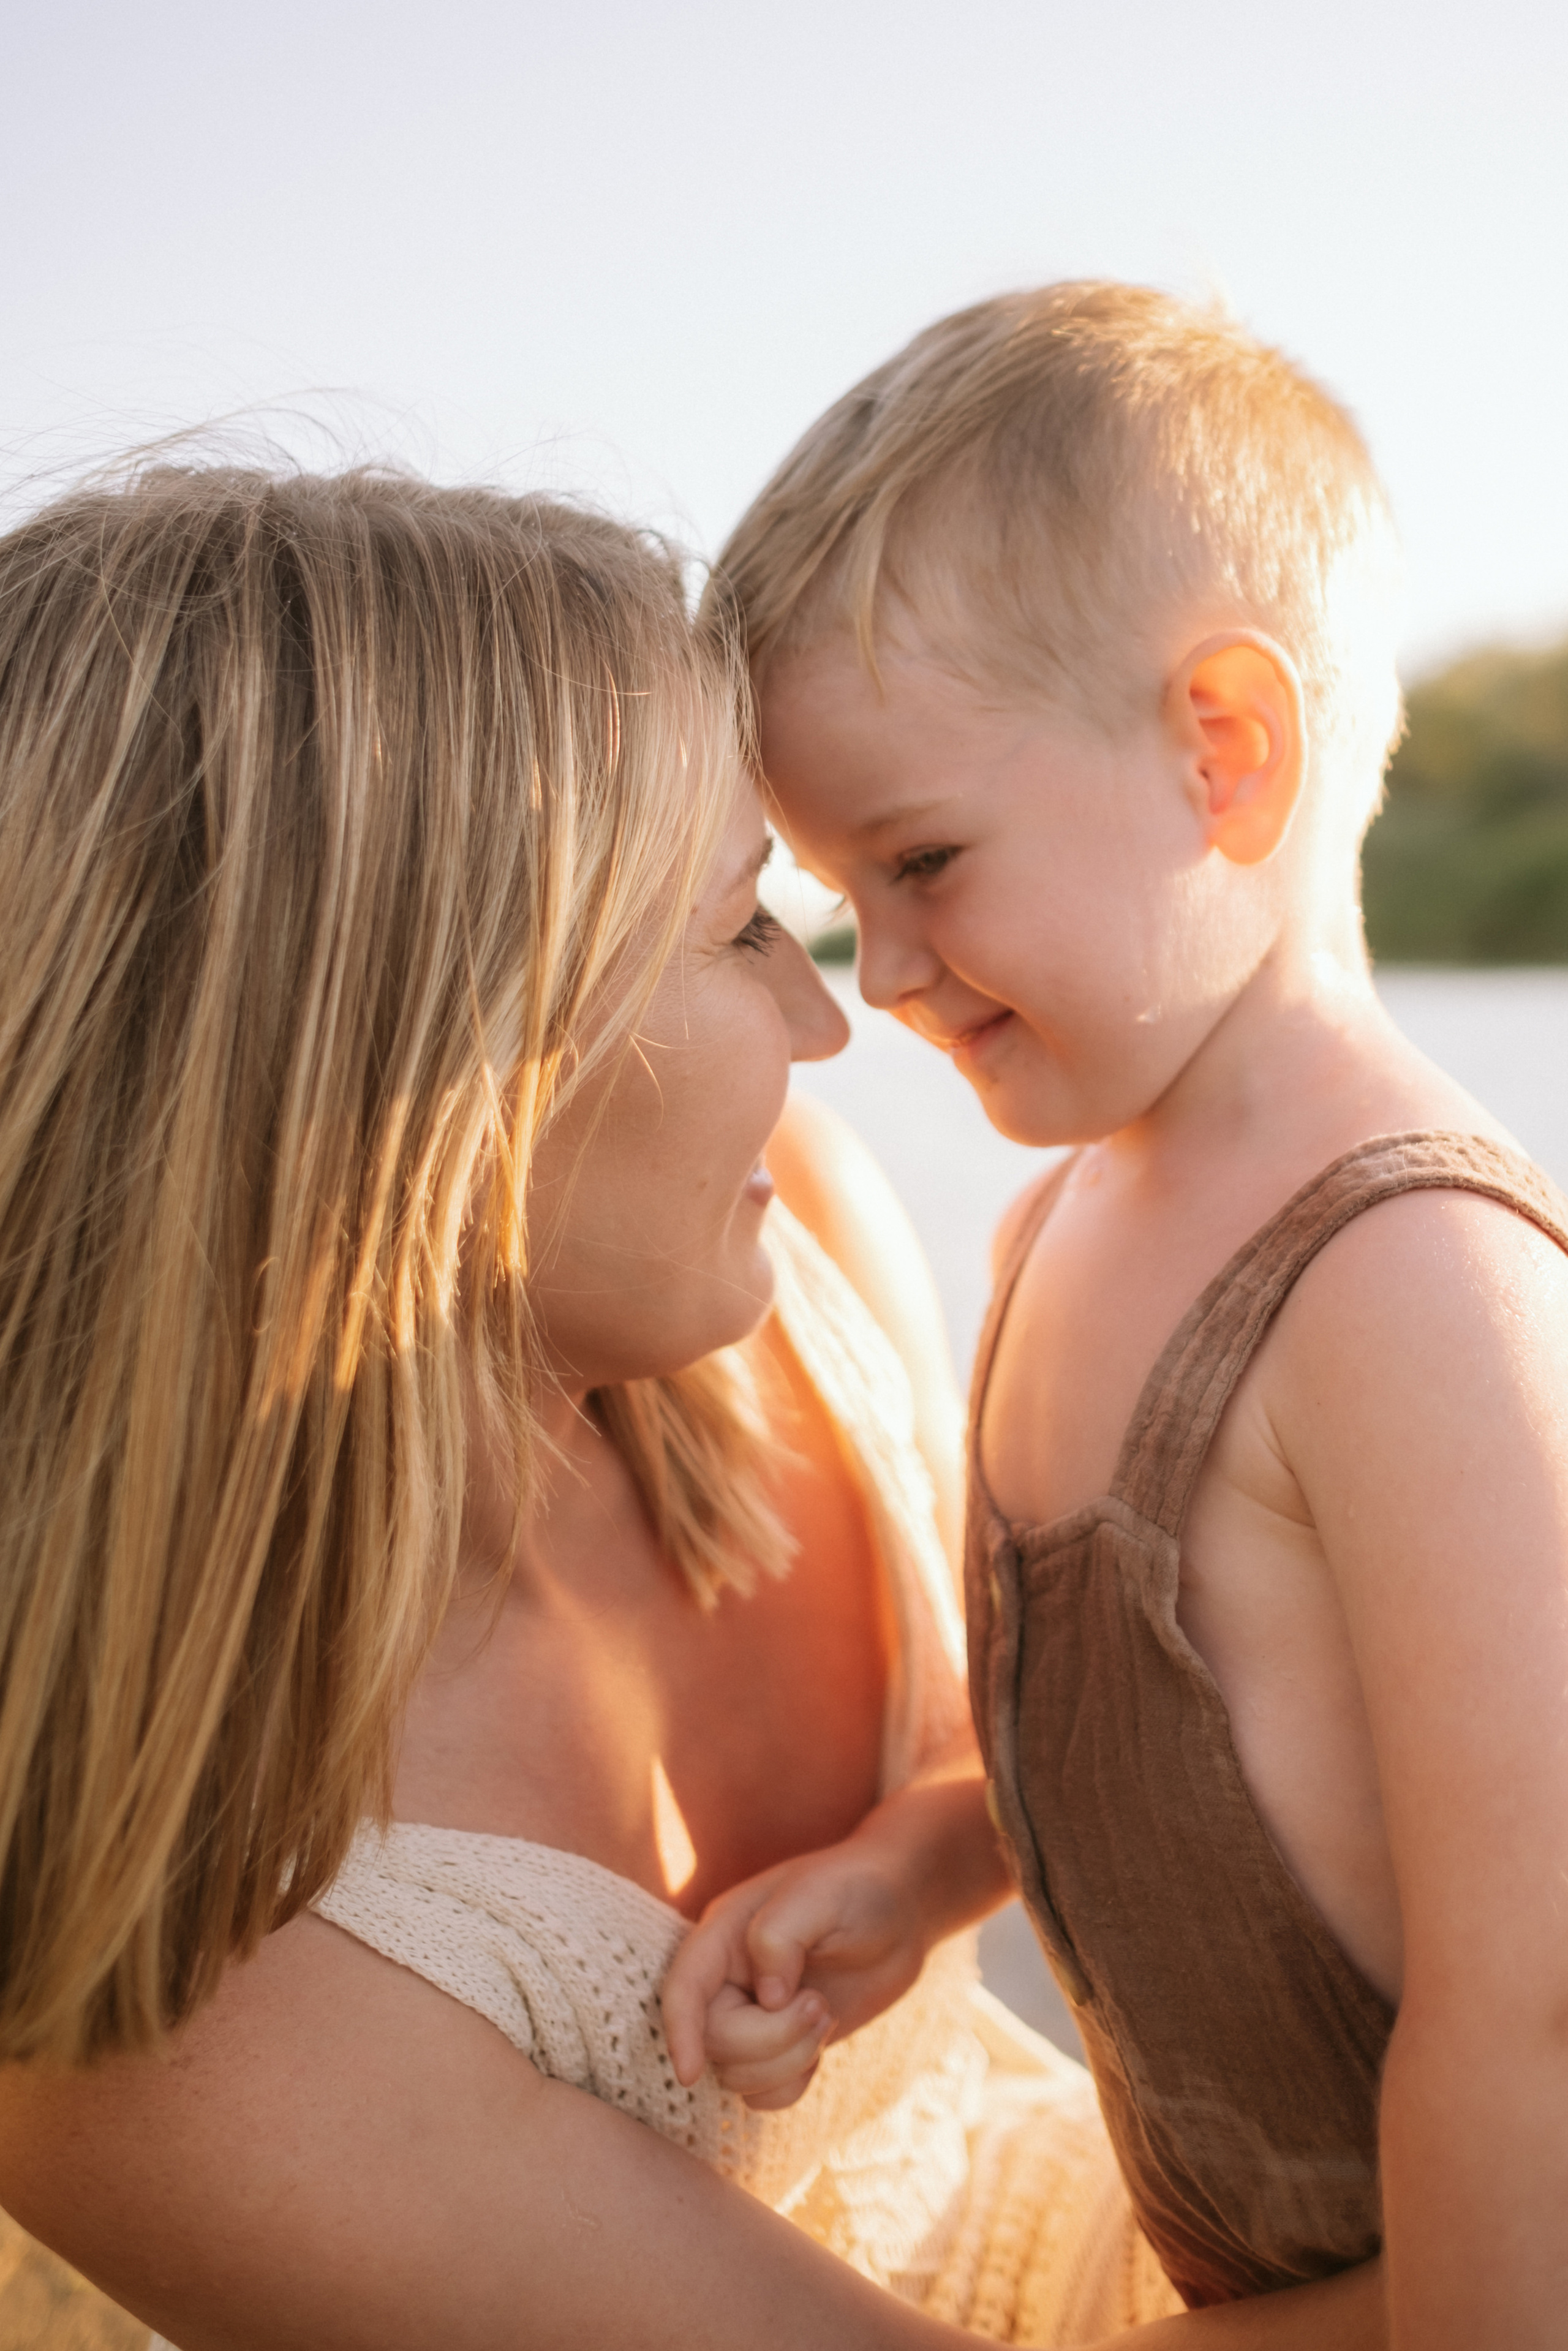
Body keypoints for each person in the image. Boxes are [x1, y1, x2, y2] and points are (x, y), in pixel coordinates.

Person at [0, 459, 1240, 2351]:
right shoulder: (146, 1968)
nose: (829, 1024)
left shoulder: (791, 1237)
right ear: (438, 1049)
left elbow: (975, 1765)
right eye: (744, 926)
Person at [664, 282, 1568, 2349]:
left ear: (1222, 750)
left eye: (923, 862)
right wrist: (920, 1869)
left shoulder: (1405, 1279)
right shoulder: (1059, 1228)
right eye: (829, 894)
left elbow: (1534, 1999)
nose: (877, 974)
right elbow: (1214, 1742)